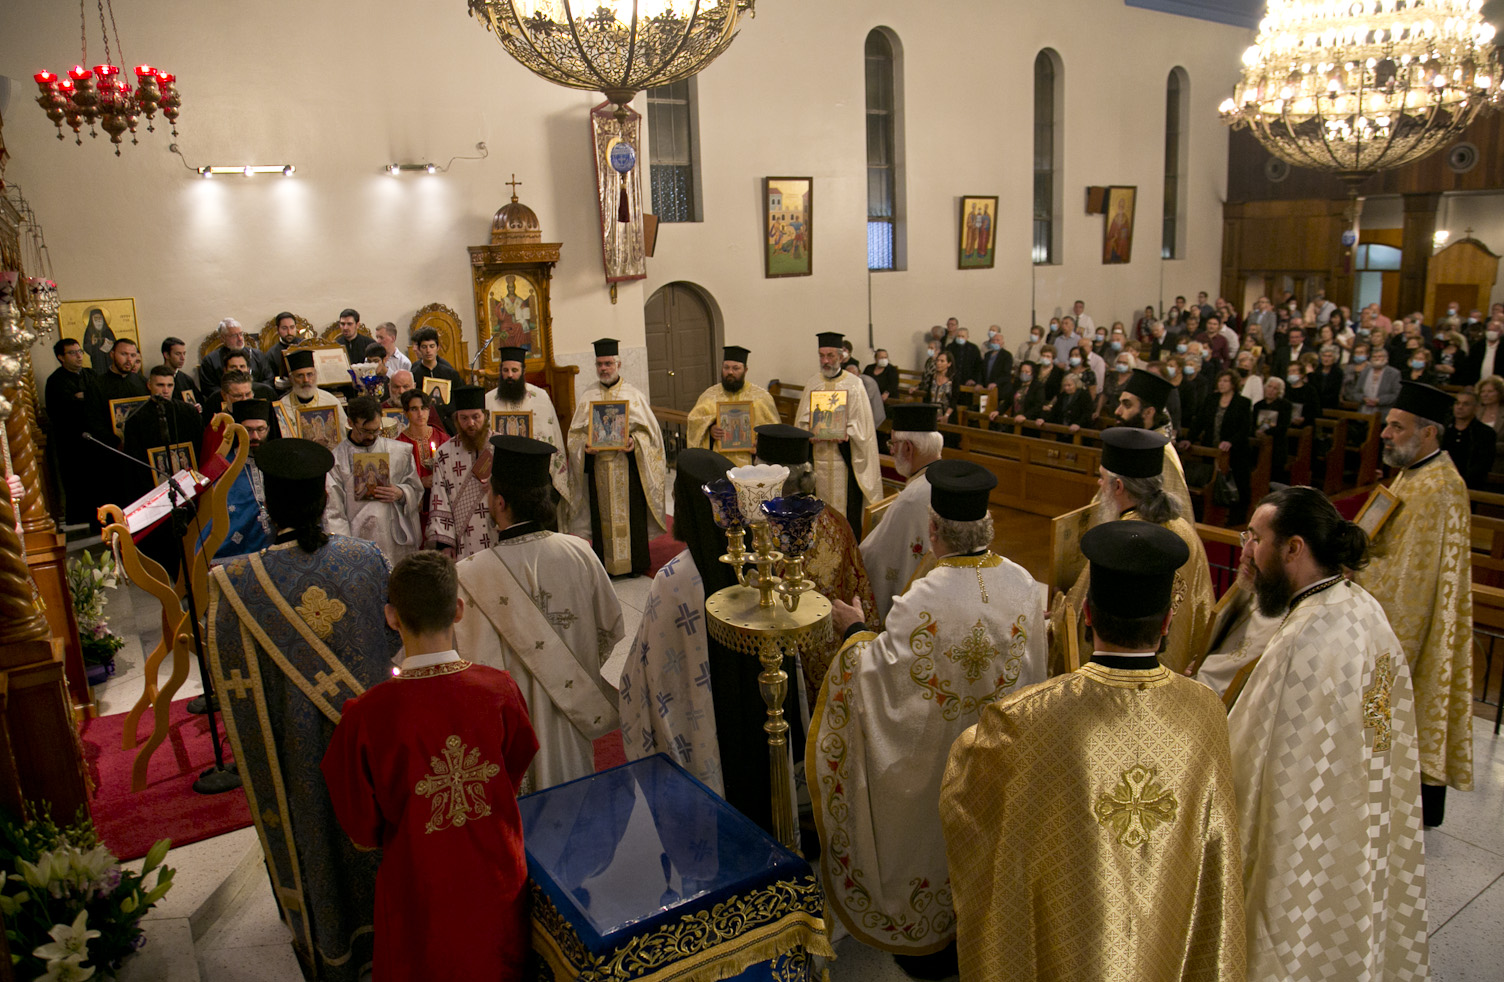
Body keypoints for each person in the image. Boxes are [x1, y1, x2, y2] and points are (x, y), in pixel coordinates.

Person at [941, 520, 1245, 982]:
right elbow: (1214, 854)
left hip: (1069, 943)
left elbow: (964, 795)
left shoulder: (1026, 718)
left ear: (1086, 614)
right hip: (1169, 933)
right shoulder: (1206, 711)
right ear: (1165, 623)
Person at [814, 460, 1047, 977]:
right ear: (987, 528)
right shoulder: (1025, 587)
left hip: (936, 763)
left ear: (934, 530)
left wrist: (853, 631)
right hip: (995, 764)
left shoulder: (923, 600)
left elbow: (877, 679)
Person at [206, 438, 399, 981]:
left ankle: (336, 947)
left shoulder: (239, 582)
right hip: (367, 742)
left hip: (302, 751)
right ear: (323, 499)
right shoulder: (367, 559)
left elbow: (232, 680)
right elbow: (390, 644)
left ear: (270, 505)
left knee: (319, 834)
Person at [1227, 487, 1428, 980]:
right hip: (1359, 815)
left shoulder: (1305, 640)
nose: (1245, 551)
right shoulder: (1360, 605)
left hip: (1304, 833)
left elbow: (1245, 758)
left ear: (1293, 548)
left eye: (1255, 538)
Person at [321, 551, 538, 981]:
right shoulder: (499, 689)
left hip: (418, 891)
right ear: (458, 610)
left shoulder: (366, 716)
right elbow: (511, 775)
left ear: (391, 617)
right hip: (495, 884)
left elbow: (362, 831)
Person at [618, 448, 805, 836]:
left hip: (710, 735)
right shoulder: (759, 563)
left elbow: (645, 675)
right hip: (760, 716)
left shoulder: (674, 580)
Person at [454, 435, 624, 790]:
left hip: (509, 732)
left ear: (500, 502)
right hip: (571, 718)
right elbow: (609, 629)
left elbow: (465, 660)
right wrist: (570, 671)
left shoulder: (469, 574)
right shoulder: (580, 552)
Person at [1353, 382, 1474, 828]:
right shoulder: (1413, 472)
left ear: (1427, 433)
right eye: (1387, 424)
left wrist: (1351, 576)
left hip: (1407, 631)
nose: (1384, 433)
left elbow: (1414, 586)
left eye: (1396, 427)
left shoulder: (1440, 489)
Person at [1050, 427, 1214, 675]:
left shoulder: (1117, 540)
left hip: (1120, 678)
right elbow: (1202, 607)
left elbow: (1078, 614)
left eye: (1102, 477)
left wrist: (1059, 601)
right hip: (1171, 676)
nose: (1098, 483)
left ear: (1118, 486)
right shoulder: (1186, 531)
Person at [753, 424, 879, 702]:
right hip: (836, 671)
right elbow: (860, 589)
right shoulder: (836, 521)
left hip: (780, 666)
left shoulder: (760, 532)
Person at [566, 339, 668, 576]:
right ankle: (606, 565)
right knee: (602, 519)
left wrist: (634, 443)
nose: (604, 368)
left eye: (609, 363)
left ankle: (636, 564)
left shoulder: (634, 396)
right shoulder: (588, 396)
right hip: (599, 469)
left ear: (618, 364)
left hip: (628, 468)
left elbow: (651, 436)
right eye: (600, 364)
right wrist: (585, 447)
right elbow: (575, 436)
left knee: (632, 516)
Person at [859, 403, 943, 620]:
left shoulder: (912, 498)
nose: (892, 450)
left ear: (908, 447)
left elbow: (872, 555)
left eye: (893, 443)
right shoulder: (943, 476)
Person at [795, 331, 881, 536]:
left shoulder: (854, 384)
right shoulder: (812, 384)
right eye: (821, 355)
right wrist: (809, 432)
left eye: (830, 356)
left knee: (845, 513)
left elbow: (863, 426)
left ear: (841, 356)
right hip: (817, 459)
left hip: (844, 458)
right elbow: (801, 421)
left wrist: (846, 433)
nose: (825, 360)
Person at [325, 396, 424, 563]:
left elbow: (417, 490)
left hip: (395, 541)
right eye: (365, 431)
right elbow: (333, 513)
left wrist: (401, 493)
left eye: (376, 430)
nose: (371, 436)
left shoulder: (400, 452)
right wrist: (347, 552)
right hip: (358, 544)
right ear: (350, 422)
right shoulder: (336, 461)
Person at [485, 346, 576, 525]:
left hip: (535, 479)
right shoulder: (489, 400)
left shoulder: (540, 398)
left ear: (523, 371)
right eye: (505, 370)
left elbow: (552, 436)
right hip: (504, 481)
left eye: (514, 370)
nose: (510, 375)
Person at [1109, 368, 1195, 519]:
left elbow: (1178, 515)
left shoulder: (1161, 452)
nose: (1117, 411)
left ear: (1148, 412)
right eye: (1119, 404)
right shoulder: (1132, 442)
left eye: (1127, 405)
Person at [43, 337, 108, 526]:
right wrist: (82, 400)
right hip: (72, 443)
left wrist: (83, 397)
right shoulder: (55, 381)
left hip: (96, 439)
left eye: (80, 351)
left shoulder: (92, 374)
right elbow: (64, 410)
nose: (79, 356)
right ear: (61, 357)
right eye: (72, 353)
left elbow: (99, 400)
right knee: (78, 486)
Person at [427, 386, 496, 560]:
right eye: (464, 418)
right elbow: (439, 498)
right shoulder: (444, 454)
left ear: (485, 416)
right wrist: (445, 544)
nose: (470, 423)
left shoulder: (500, 447)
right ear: (456, 419)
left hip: (496, 533)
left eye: (475, 417)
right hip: (463, 539)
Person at [686, 344, 780, 467]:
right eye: (726, 367)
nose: (730, 372)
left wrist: (760, 444)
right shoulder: (709, 396)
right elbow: (694, 422)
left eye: (736, 368)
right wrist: (710, 430)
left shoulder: (761, 398)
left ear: (745, 370)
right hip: (717, 461)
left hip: (751, 462)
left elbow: (774, 431)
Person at [209, 399, 277, 559]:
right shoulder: (224, 466)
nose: (255, 437)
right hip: (238, 552)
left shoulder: (278, 461)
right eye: (248, 430)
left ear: (268, 428)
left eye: (261, 430)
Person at [1187, 369, 1253, 520]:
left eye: (1225, 381)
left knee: (1237, 484)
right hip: (1212, 447)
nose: (1221, 384)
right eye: (1220, 381)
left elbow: (1245, 428)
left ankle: (1237, 517)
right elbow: (1199, 421)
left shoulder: (1243, 402)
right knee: (1210, 481)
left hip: (1235, 451)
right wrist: (1189, 439)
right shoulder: (1211, 399)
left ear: (1233, 384)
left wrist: (1230, 442)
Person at [275, 349, 347, 440]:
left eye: (309, 374)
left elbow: (344, 436)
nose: (306, 380)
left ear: (316, 375)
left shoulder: (331, 401)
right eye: (300, 376)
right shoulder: (282, 407)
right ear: (291, 378)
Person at [199, 318, 272, 394]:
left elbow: (269, 379)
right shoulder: (210, 360)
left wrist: (252, 392)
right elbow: (209, 388)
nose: (240, 338)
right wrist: (234, 394)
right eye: (234, 336)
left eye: (241, 334)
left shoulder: (257, 355)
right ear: (223, 338)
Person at [1443, 388, 1497, 488]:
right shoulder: (1443, 428)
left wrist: (1459, 481)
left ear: (1476, 408)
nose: (1460, 407)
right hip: (1439, 481)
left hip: (1469, 485)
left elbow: (1483, 464)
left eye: (1466, 404)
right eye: (1457, 403)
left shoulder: (1486, 433)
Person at [411, 326, 464, 417]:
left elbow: (459, 398)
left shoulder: (450, 373)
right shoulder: (414, 374)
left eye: (432, 346)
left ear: (438, 347)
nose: (428, 351)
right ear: (419, 349)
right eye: (424, 347)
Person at [1343, 346, 1400, 416]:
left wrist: (1379, 400)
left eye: (1380, 356)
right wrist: (1363, 399)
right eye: (1374, 357)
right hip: (1363, 413)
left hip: (1383, 414)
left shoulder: (1394, 373)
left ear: (1386, 358)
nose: (1377, 359)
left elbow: (1396, 394)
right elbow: (1356, 392)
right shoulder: (1365, 372)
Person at [160, 336, 201, 408]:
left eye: (184, 353)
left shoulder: (187, 380)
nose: (182, 358)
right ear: (166, 355)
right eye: (178, 354)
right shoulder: (157, 378)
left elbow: (198, 401)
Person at [80, 306, 116, 373]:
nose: (98, 320)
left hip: (108, 358)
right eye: (96, 318)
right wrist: (92, 344)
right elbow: (86, 346)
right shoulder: (89, 331)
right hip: (97, 358)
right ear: (92, 319)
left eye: (100, 318)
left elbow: (115, 344)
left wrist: (109, 343)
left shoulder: (107, 330)